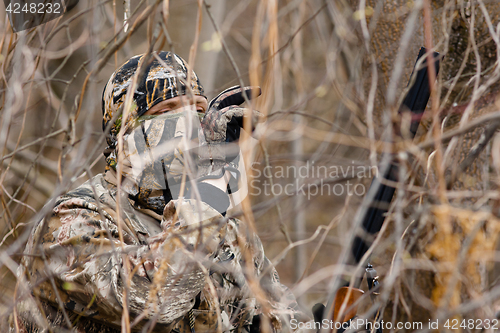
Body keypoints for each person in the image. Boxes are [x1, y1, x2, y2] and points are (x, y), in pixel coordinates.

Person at [12, 51, 306, 333]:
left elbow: (285, 319)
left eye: (198, 110)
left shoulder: (229, 234)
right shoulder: (70, 221)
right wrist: (207, 201)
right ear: (124, 131)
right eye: (167, 111)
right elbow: (152, 304)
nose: (191, 125)